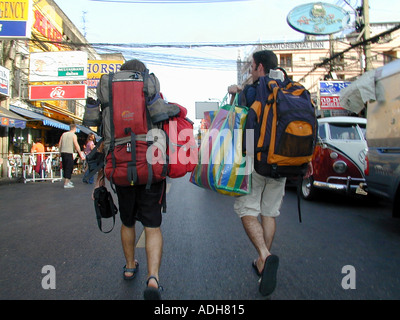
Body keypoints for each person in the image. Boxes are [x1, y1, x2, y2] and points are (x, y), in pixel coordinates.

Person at [93, 59, 165, 300]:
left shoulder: (110, 95)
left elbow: (102, 137)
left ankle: (130, 266)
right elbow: (162, 122)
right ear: (143, 75)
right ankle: (153, 278)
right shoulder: (150, 88)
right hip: (150, 167)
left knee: (127, 221)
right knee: (152, 226)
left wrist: (100, 175)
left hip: (120, 167)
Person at [228, 50, 284, 296]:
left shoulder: (253, 90)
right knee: (269, 212)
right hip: (283, 160)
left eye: (252, 66)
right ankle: (262, 263)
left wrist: (238, 91)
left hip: (255, 158)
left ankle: (264, 254)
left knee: (247, 210)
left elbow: (236, 119)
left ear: (260, 67)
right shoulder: (289, 87)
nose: (250, 69)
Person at [59, 124, 85, 189]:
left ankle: (68, 181)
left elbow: (60, 143)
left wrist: (59, 152)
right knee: (69, 167)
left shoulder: (64, 134)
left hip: (63, 152)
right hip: (69, 152)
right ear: (74, 128)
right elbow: (76, 144)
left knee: (65, 167)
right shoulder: (74, 135)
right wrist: (80, 153)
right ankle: (66, 183)